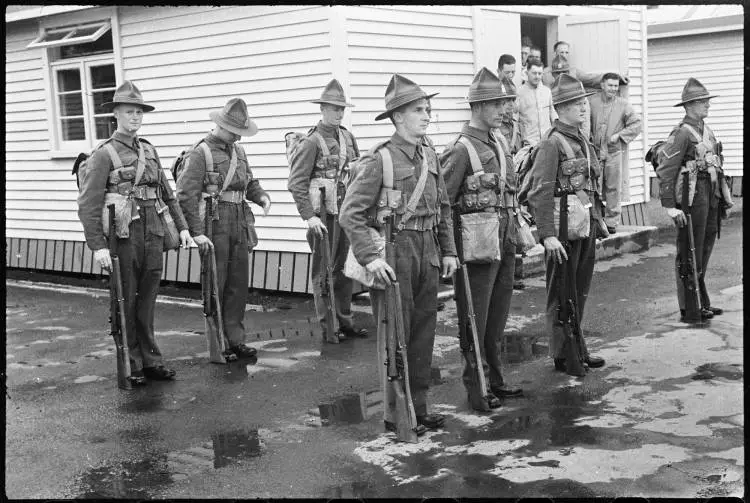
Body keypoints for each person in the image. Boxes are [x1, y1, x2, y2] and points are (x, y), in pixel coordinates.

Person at [339, 74, 459, 432]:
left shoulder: (430, 156)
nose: (426, 116)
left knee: (423, 333)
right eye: (418, 110)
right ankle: (396, 415)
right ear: (397, 118)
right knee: (396, 335)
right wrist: (369, 257)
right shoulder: (381, 160)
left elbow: (444, 207)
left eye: (428, 109)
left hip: (428, 252)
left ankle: (418, 407)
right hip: (395, 252)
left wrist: (449, 250)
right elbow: (350, 214)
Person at [77, 80, 193, 384]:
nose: (136, 117)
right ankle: (133, 363)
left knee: (148, 298)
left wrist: (182, 227)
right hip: (124, 235)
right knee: (126, 299)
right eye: (129, 112)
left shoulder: (149, 150)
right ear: (116, 113)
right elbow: (88, 203)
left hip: (153, 231)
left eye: (139, 112)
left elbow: (168, 193)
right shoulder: (103, 154)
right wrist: (98, 246)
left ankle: (151, 359)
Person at [440, 68, 524, 410]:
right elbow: (442, 204)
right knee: (474, 315)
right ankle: (477, 387)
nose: (503, 110)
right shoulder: (460, 150)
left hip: (501, 241)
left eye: (505, 103)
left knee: (497, 315)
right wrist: (448, 250)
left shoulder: (500, 142)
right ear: (477, 107)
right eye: (496, 104)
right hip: (473, 248)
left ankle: (496, 378)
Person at [519, 74, 606, 376]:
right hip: (562, 231)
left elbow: (591, 183)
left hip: (583, 226)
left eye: (583, 102)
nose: (584, 108)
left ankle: (577, 346)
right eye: (576, 103)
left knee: (579, 290)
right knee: (561, 293)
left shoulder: (581, 138)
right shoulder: (551, 144)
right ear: (561, 107)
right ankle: (563, 353)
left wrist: (597, 220)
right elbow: (539, 192)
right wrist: (547, 236)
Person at [176, 98, 271, 359]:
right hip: (214, 221)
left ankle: (236, 339)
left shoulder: (238, 152)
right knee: (217, 283)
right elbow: (186, 195)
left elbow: (249, 182)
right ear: (221, 125)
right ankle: (219, 345)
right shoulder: (200, 152)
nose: (238, 138)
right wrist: (197, 232)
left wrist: (261, 197)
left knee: (238, 284)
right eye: (234, 131)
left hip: (239, 219)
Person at [287, 79, 368, 343]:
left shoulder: (347, 137)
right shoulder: (311, 142)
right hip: (323, 219)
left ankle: (345, 322)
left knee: (344, 270)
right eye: (333, 108)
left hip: (345, 214)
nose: (338, 113)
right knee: (324, 273)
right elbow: (296, 183)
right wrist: (309, 216)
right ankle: (328, 326)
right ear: (322, 109)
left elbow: (356, 172)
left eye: (341, 109)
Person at [654, 78, 733, 322]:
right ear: (689, 106)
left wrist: (722, 197)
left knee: (705, 246)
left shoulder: (706, 130)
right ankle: (690, 308)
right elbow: (666, 170)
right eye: (702, 101)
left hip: (710, 195)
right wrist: (669, 206)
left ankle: (702, 302)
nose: (707, 105)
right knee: (690, 250)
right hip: (692, 197)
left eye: (707, 100)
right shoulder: (681, 133)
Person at [589, 72, 642, 233]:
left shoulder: (623, 104)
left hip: (614, 151)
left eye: (616, 86)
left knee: (613, 187)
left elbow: (637, 124)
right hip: (595, 152)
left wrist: (620, 135)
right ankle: (595, 220)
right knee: (593, 186)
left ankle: (611, 222)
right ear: (602, 85)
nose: (613, 89)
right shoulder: (592, 101)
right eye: (610, 85)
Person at [516, 57, 558, 147]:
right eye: (534, 73)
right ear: (527, 72)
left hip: (547, 141)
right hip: (529, 143)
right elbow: (515, 119)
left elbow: (553, 114)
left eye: (540, 73)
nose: (537, 76)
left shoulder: (547, 91)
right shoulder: (519, 93)